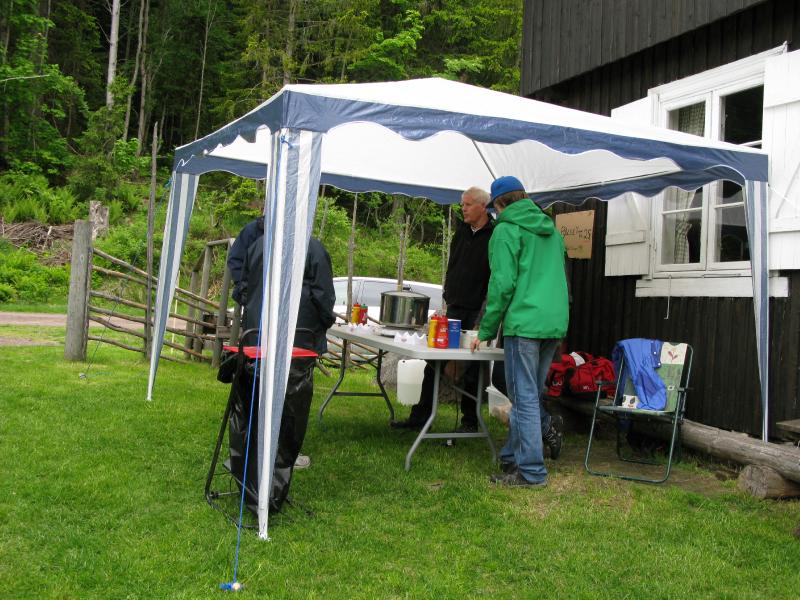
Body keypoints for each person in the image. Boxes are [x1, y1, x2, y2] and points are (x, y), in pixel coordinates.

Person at [471, 176, 569, 487]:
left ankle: (531, 472)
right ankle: (512, 457)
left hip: (525, 323)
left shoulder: (505, 230)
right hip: (553, 323)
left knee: (523, 399)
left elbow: (502, 284)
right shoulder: (551, 230)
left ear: (498, 205)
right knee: (529, 395)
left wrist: (486, 329)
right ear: (523, 197)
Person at [391, 186, 493, 432]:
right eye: (462, 204)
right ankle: (420, 417)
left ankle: (470, 422)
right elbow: (452, 265)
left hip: (478, 311)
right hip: (454, 309)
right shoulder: (462, 231)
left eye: (468, 204)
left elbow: (495, 277)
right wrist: (448, 293)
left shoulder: (495, 234)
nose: (463, 209)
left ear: (482, 206)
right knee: (433, 362)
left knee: (473, 369)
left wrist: (483, 317)